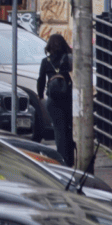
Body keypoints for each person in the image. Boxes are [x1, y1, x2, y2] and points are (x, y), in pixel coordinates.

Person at [38, 33, 75, 168]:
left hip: (53, 101)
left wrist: (40, 95)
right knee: (69, 129)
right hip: (68, 99)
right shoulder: (68, 59)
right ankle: (70, 159)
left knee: (59, 130)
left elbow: (41, 79)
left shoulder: (45, 61)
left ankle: (62, 160)